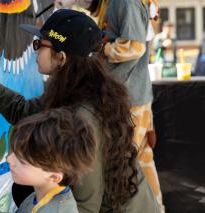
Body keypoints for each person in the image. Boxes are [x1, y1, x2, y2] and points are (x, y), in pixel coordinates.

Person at [0, 9, 159, 213]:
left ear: (61, 57)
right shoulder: (74, 90)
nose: (34, 51)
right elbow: (23, 112)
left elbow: (86, 204)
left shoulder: (83, 117)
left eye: (39, 45)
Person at [67, 0, 165, 212]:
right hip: (129, 95)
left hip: (127, 98)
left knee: (125, 166)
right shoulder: (114, 3)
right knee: (141, 164)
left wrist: (102, 49)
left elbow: (135, 46)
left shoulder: (125, 1)